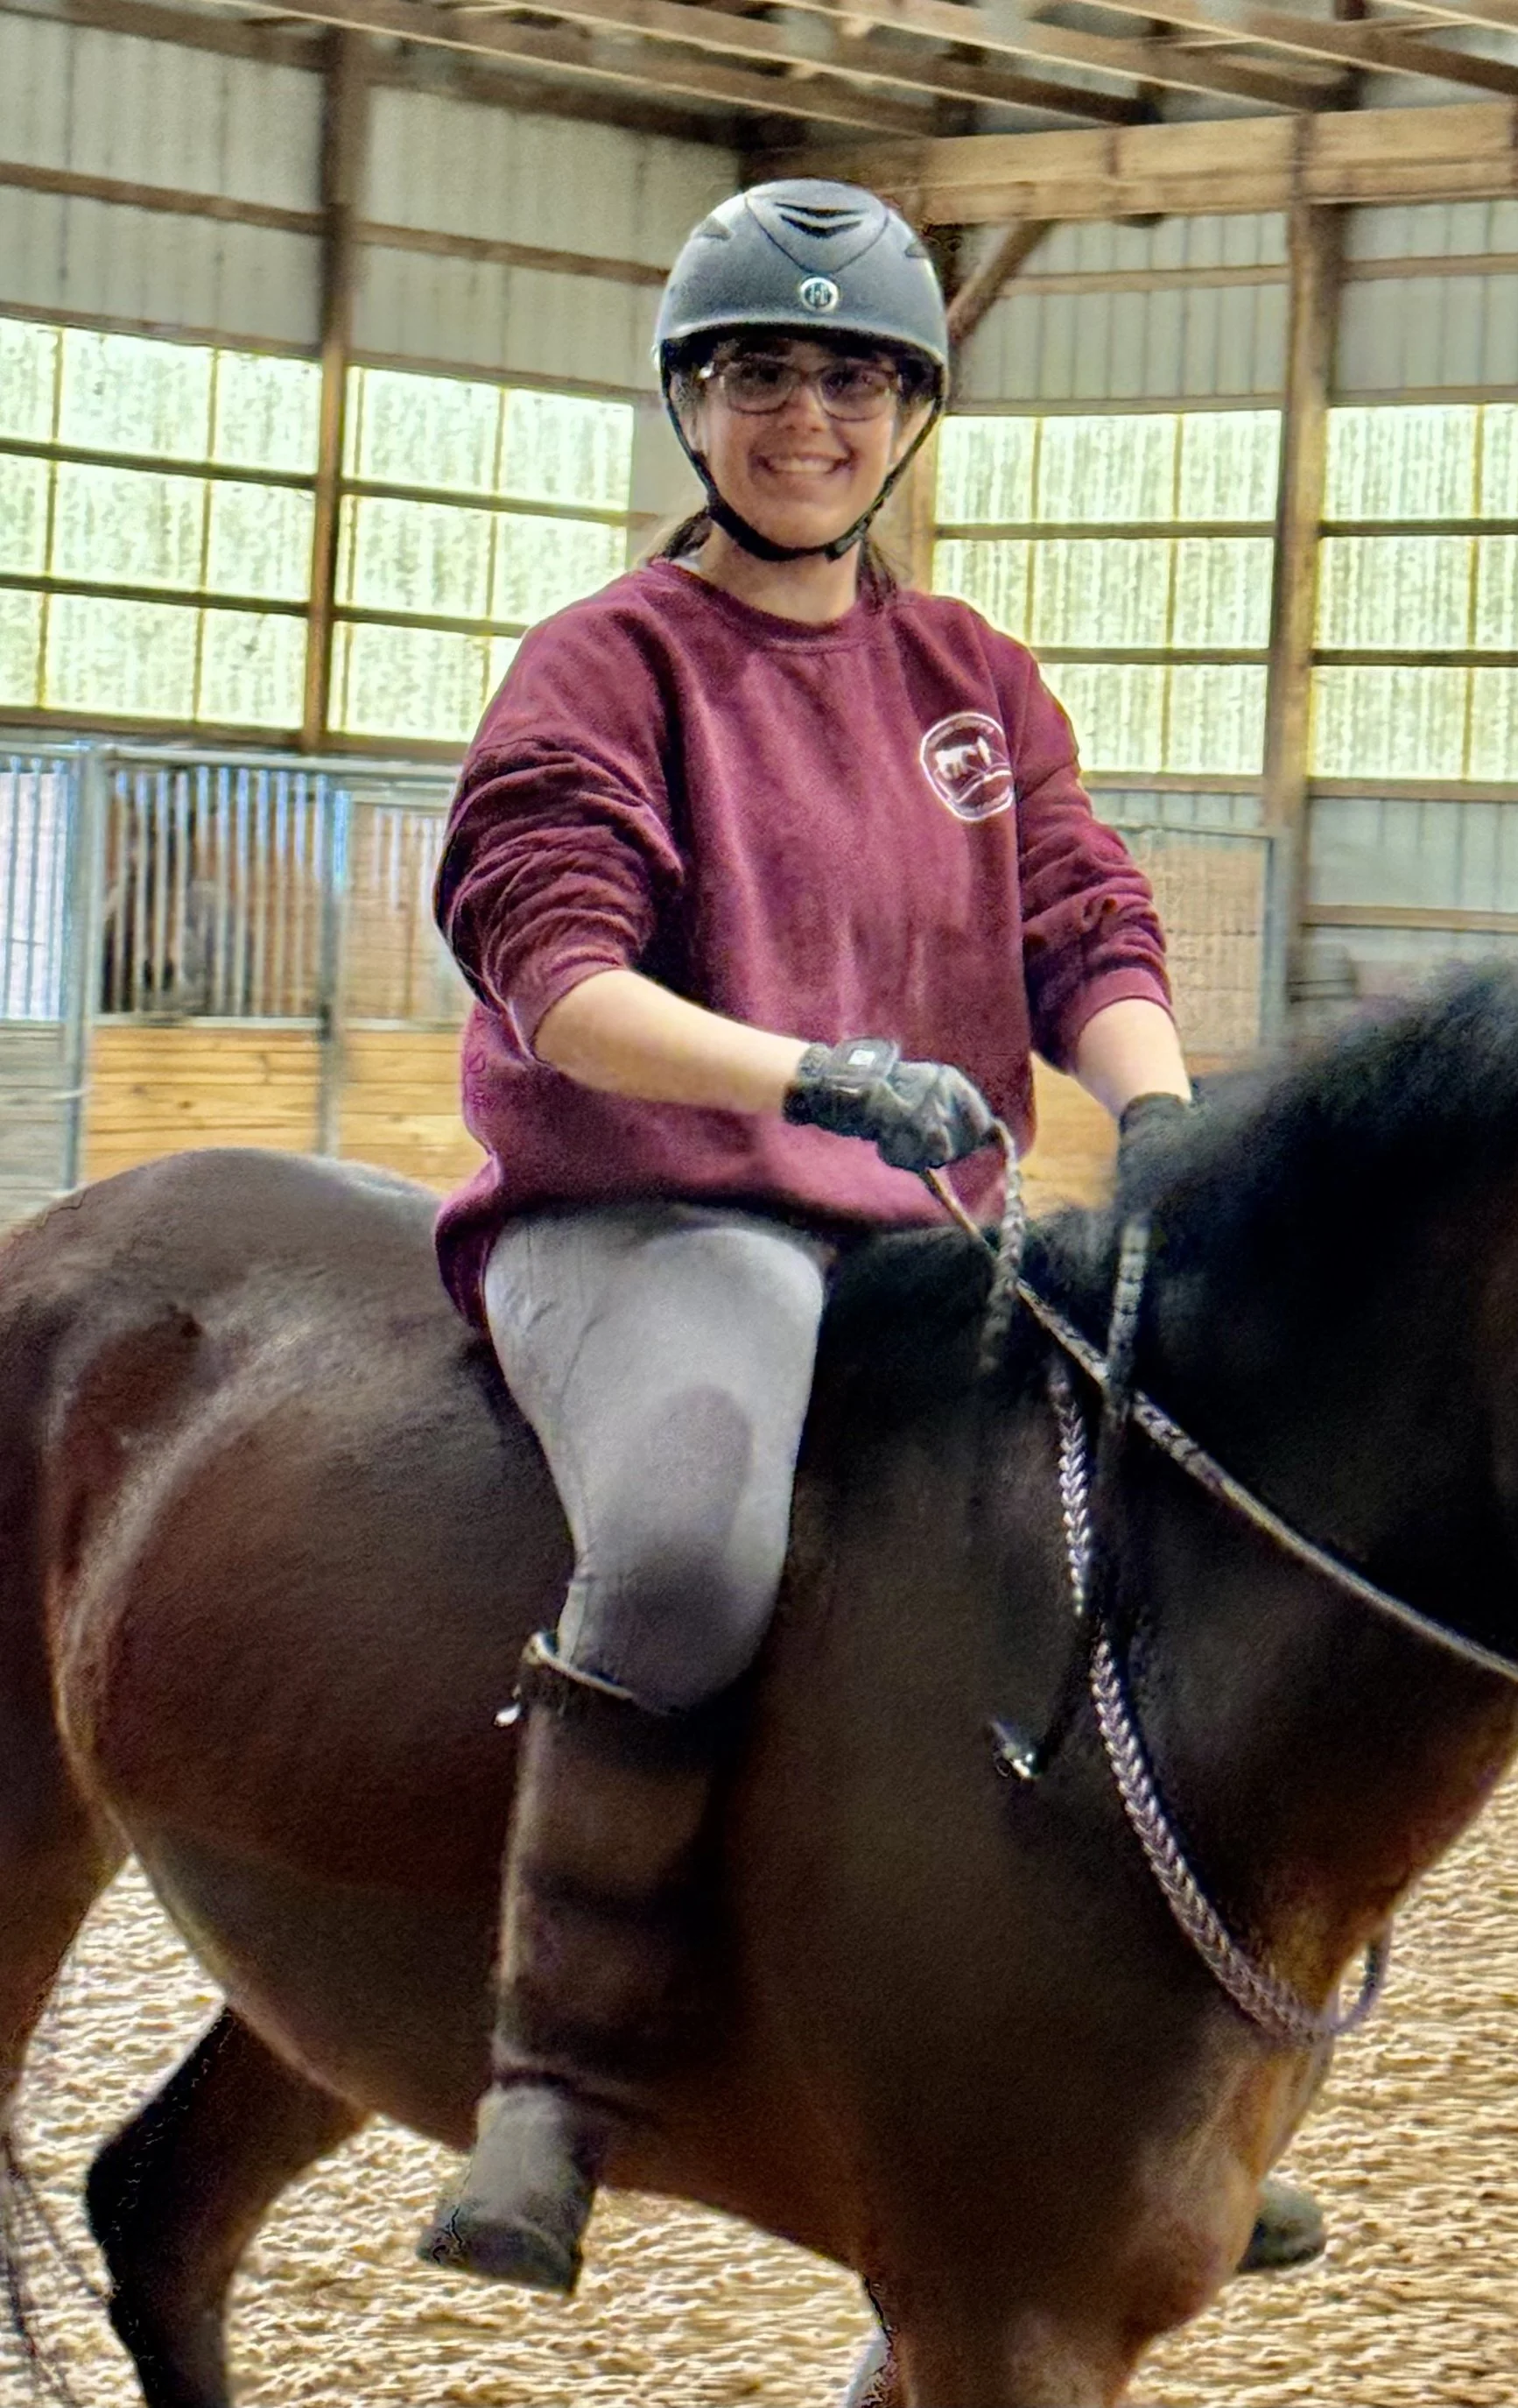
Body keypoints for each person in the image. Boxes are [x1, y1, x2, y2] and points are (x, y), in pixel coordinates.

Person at [415, 178, 1195, 2298]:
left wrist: (1161, 1112)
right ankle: (551, 2075)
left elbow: (1080, 923)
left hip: (926, 1231)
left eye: (852, 381)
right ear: (694, 402)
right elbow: (551, 971)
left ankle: (1152, 2072)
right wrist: (815, 1076)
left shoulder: (967, 673)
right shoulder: (607, 662)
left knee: (1156, 1514)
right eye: (763, 375)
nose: (808, 419)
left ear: (906, 415)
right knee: (682, 1537)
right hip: (653, 1210)